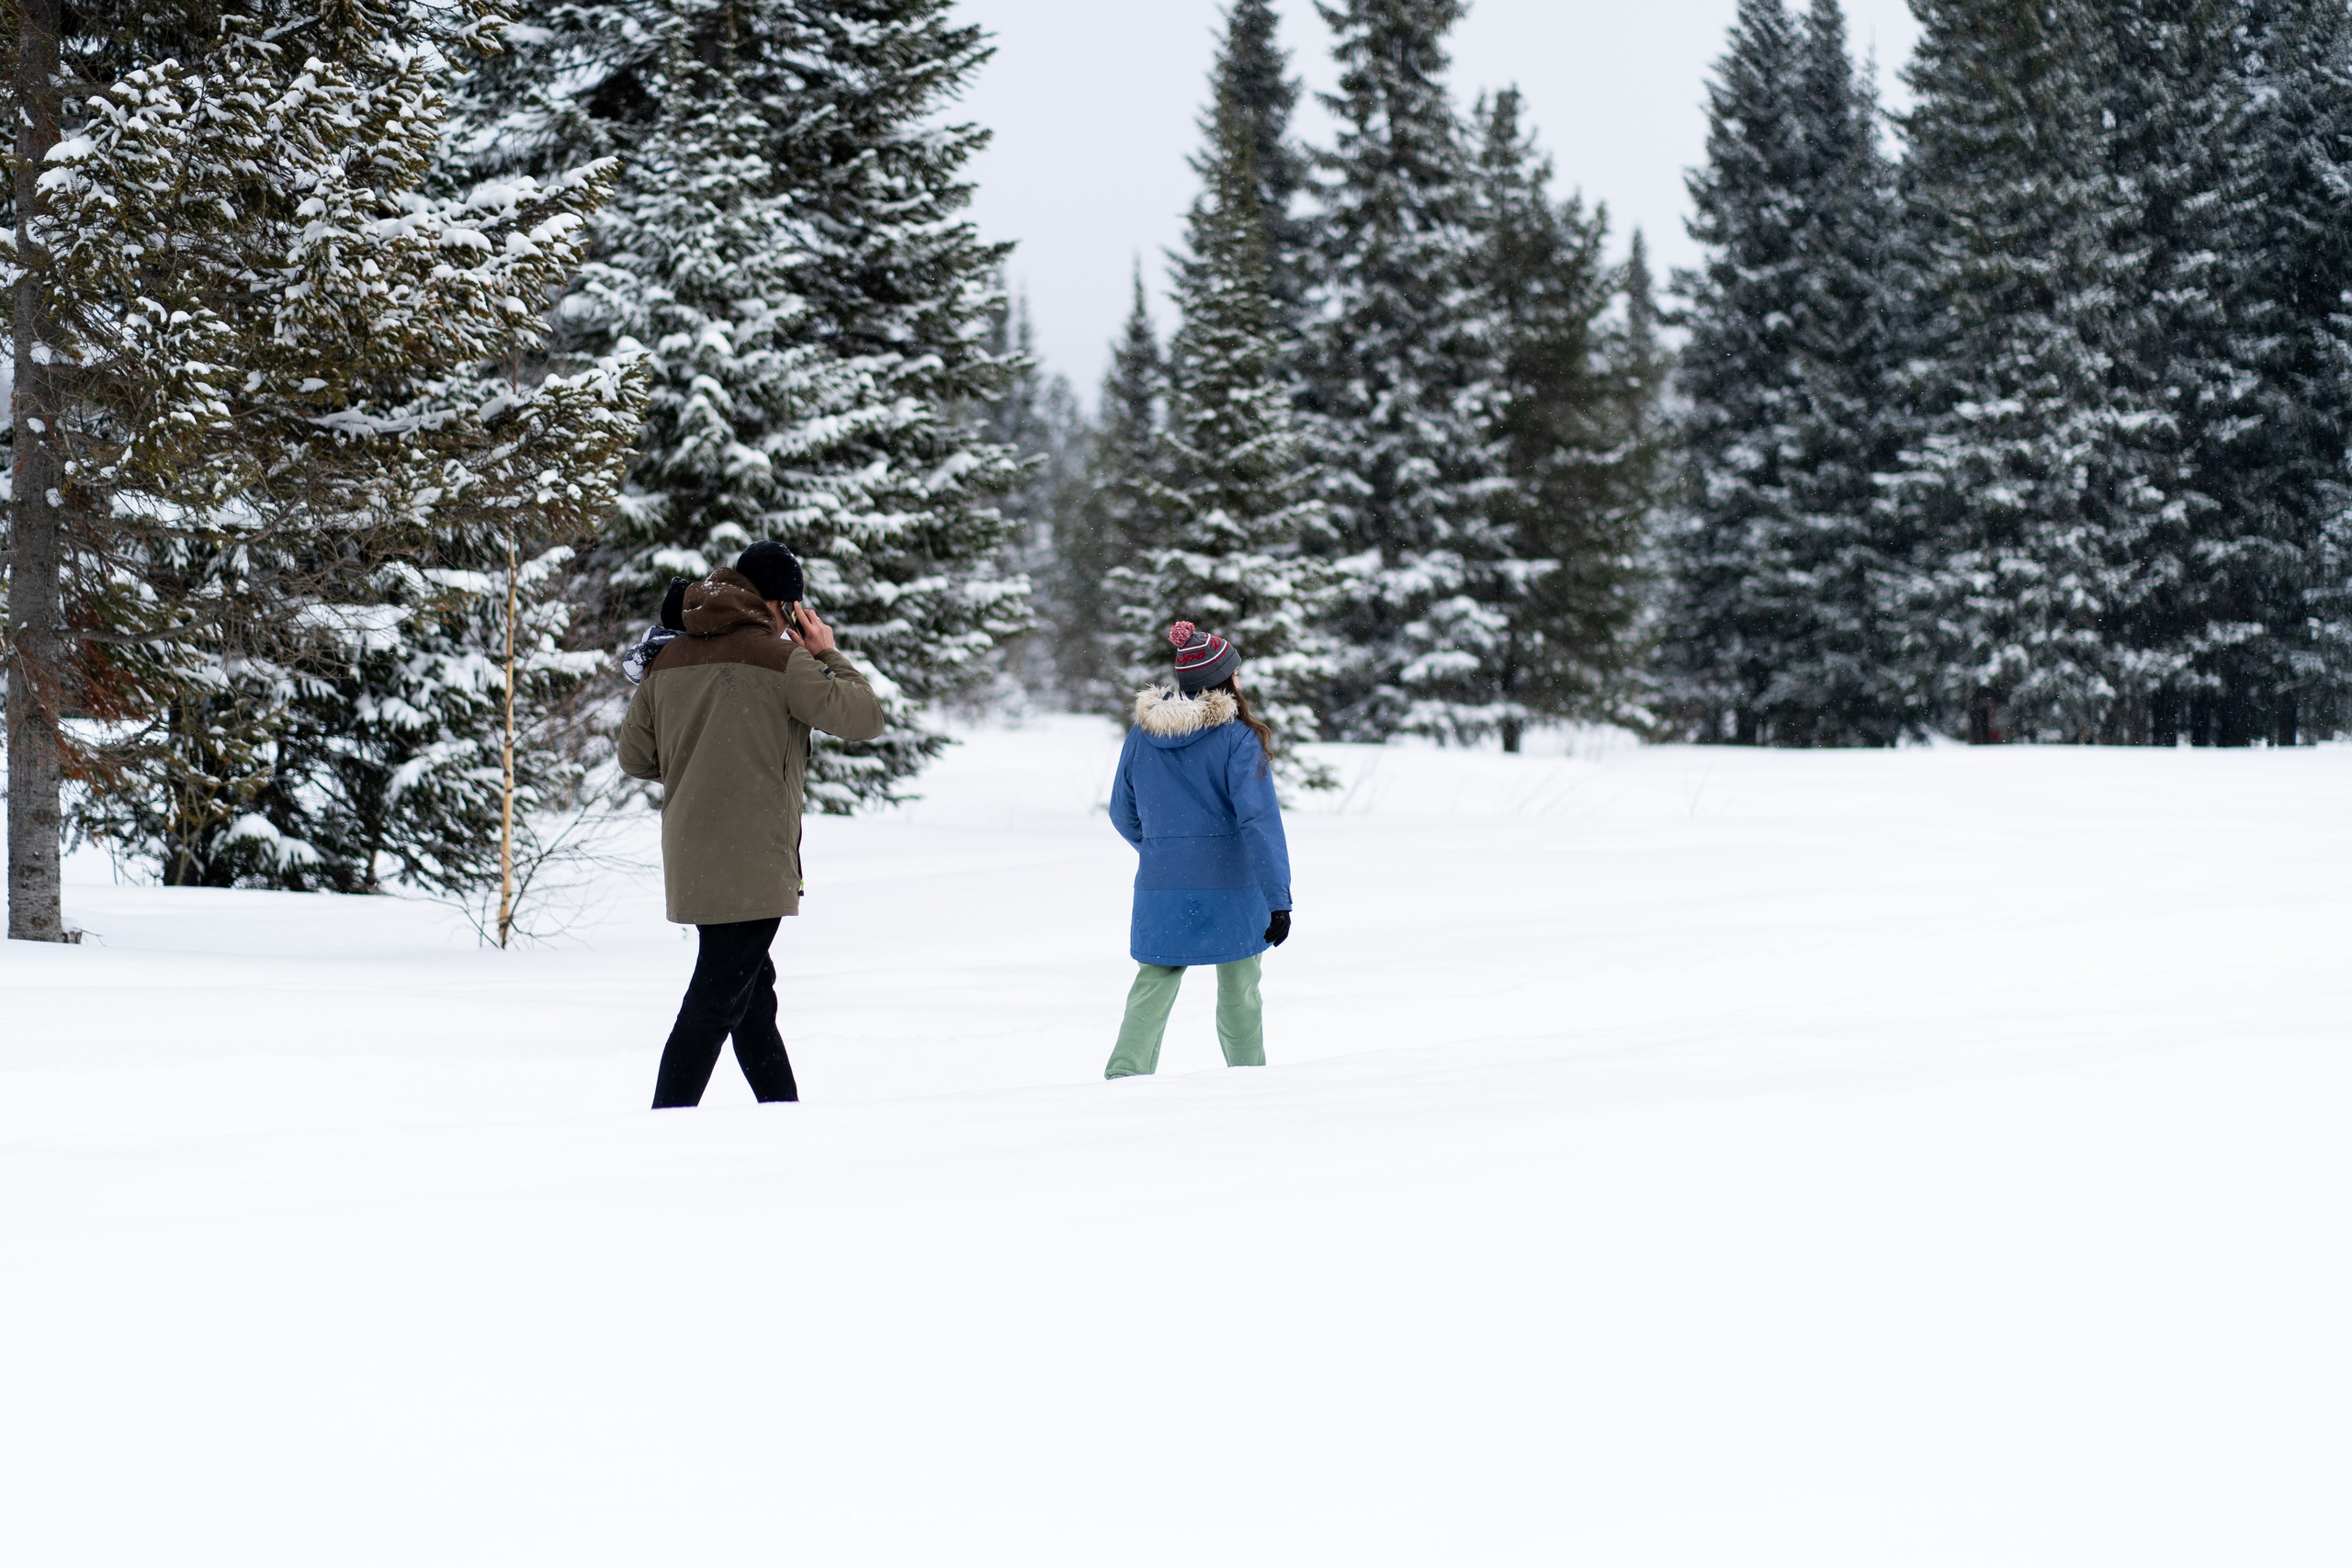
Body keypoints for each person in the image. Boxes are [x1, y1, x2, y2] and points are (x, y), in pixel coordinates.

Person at [617, 542, 885, 1108]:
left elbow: (635, 757)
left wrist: (702, 759)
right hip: (755, 858)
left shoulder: (669, 657)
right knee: (715, 1002)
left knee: (750, 1001)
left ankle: (782, 1117)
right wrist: (828, 654)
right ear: (785, 604)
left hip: (693, 855)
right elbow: (863, 718)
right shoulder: (781, 659)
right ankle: (664, 1125)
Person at [1102, 621, 1294, 1079]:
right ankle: (1248, 1078)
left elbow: (1120, 811)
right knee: (1240, 985)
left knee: (1155, 981)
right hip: (1233, 883)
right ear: (1224, 680)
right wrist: (1278, 899)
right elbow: (1258, 821)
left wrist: (1161, 849)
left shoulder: (1142, 734)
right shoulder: (1238, 737)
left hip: (1162, 882)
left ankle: (1124, 1077)